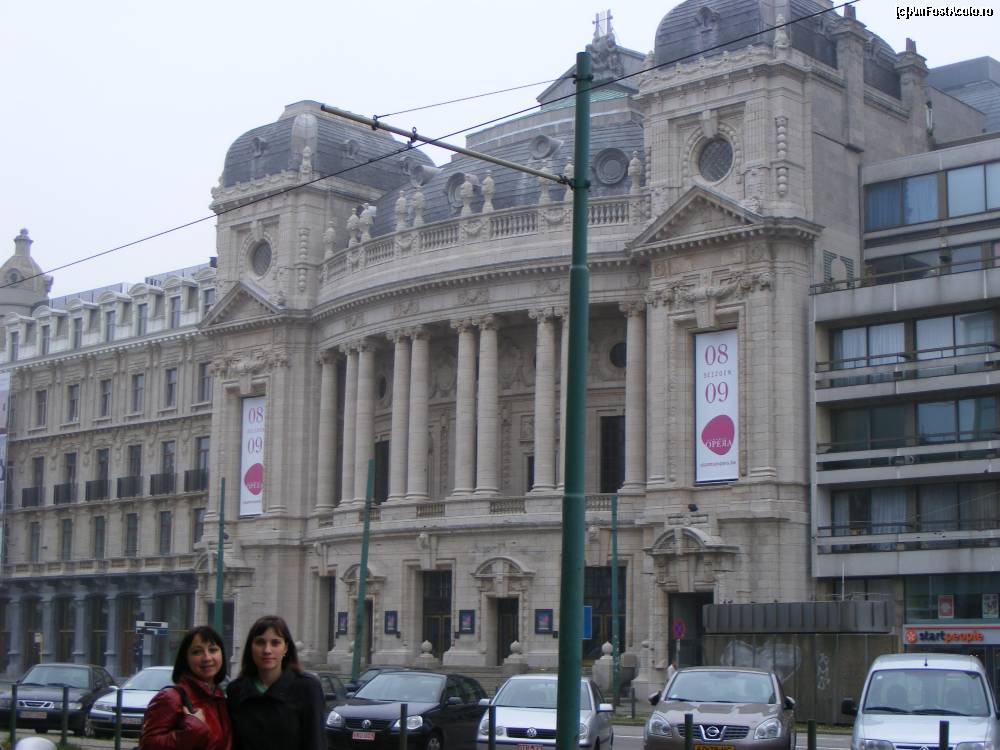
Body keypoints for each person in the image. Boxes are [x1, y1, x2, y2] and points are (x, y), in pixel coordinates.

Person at [226, 615, 325, 750]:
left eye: (275, 643)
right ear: (251, 648)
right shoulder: (236, 690)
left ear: (286, 648)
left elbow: (315, 742)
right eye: (260, 642)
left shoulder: (307, 687)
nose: (267, 650)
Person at [140, 625, 232, 750]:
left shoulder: (220, 699)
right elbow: (148, 745)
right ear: (185, 659)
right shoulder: (171, 698)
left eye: (213, 650)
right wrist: (192, 730)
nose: (207, 658)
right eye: (197, 652)